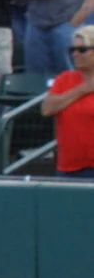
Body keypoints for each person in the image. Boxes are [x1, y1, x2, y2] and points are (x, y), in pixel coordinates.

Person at [41, 25, 94, 177]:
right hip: (69, 166)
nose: (75, 54)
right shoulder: (65, 79)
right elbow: (47, 109)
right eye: (73, 50)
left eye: (82, 50)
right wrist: (83, 89)